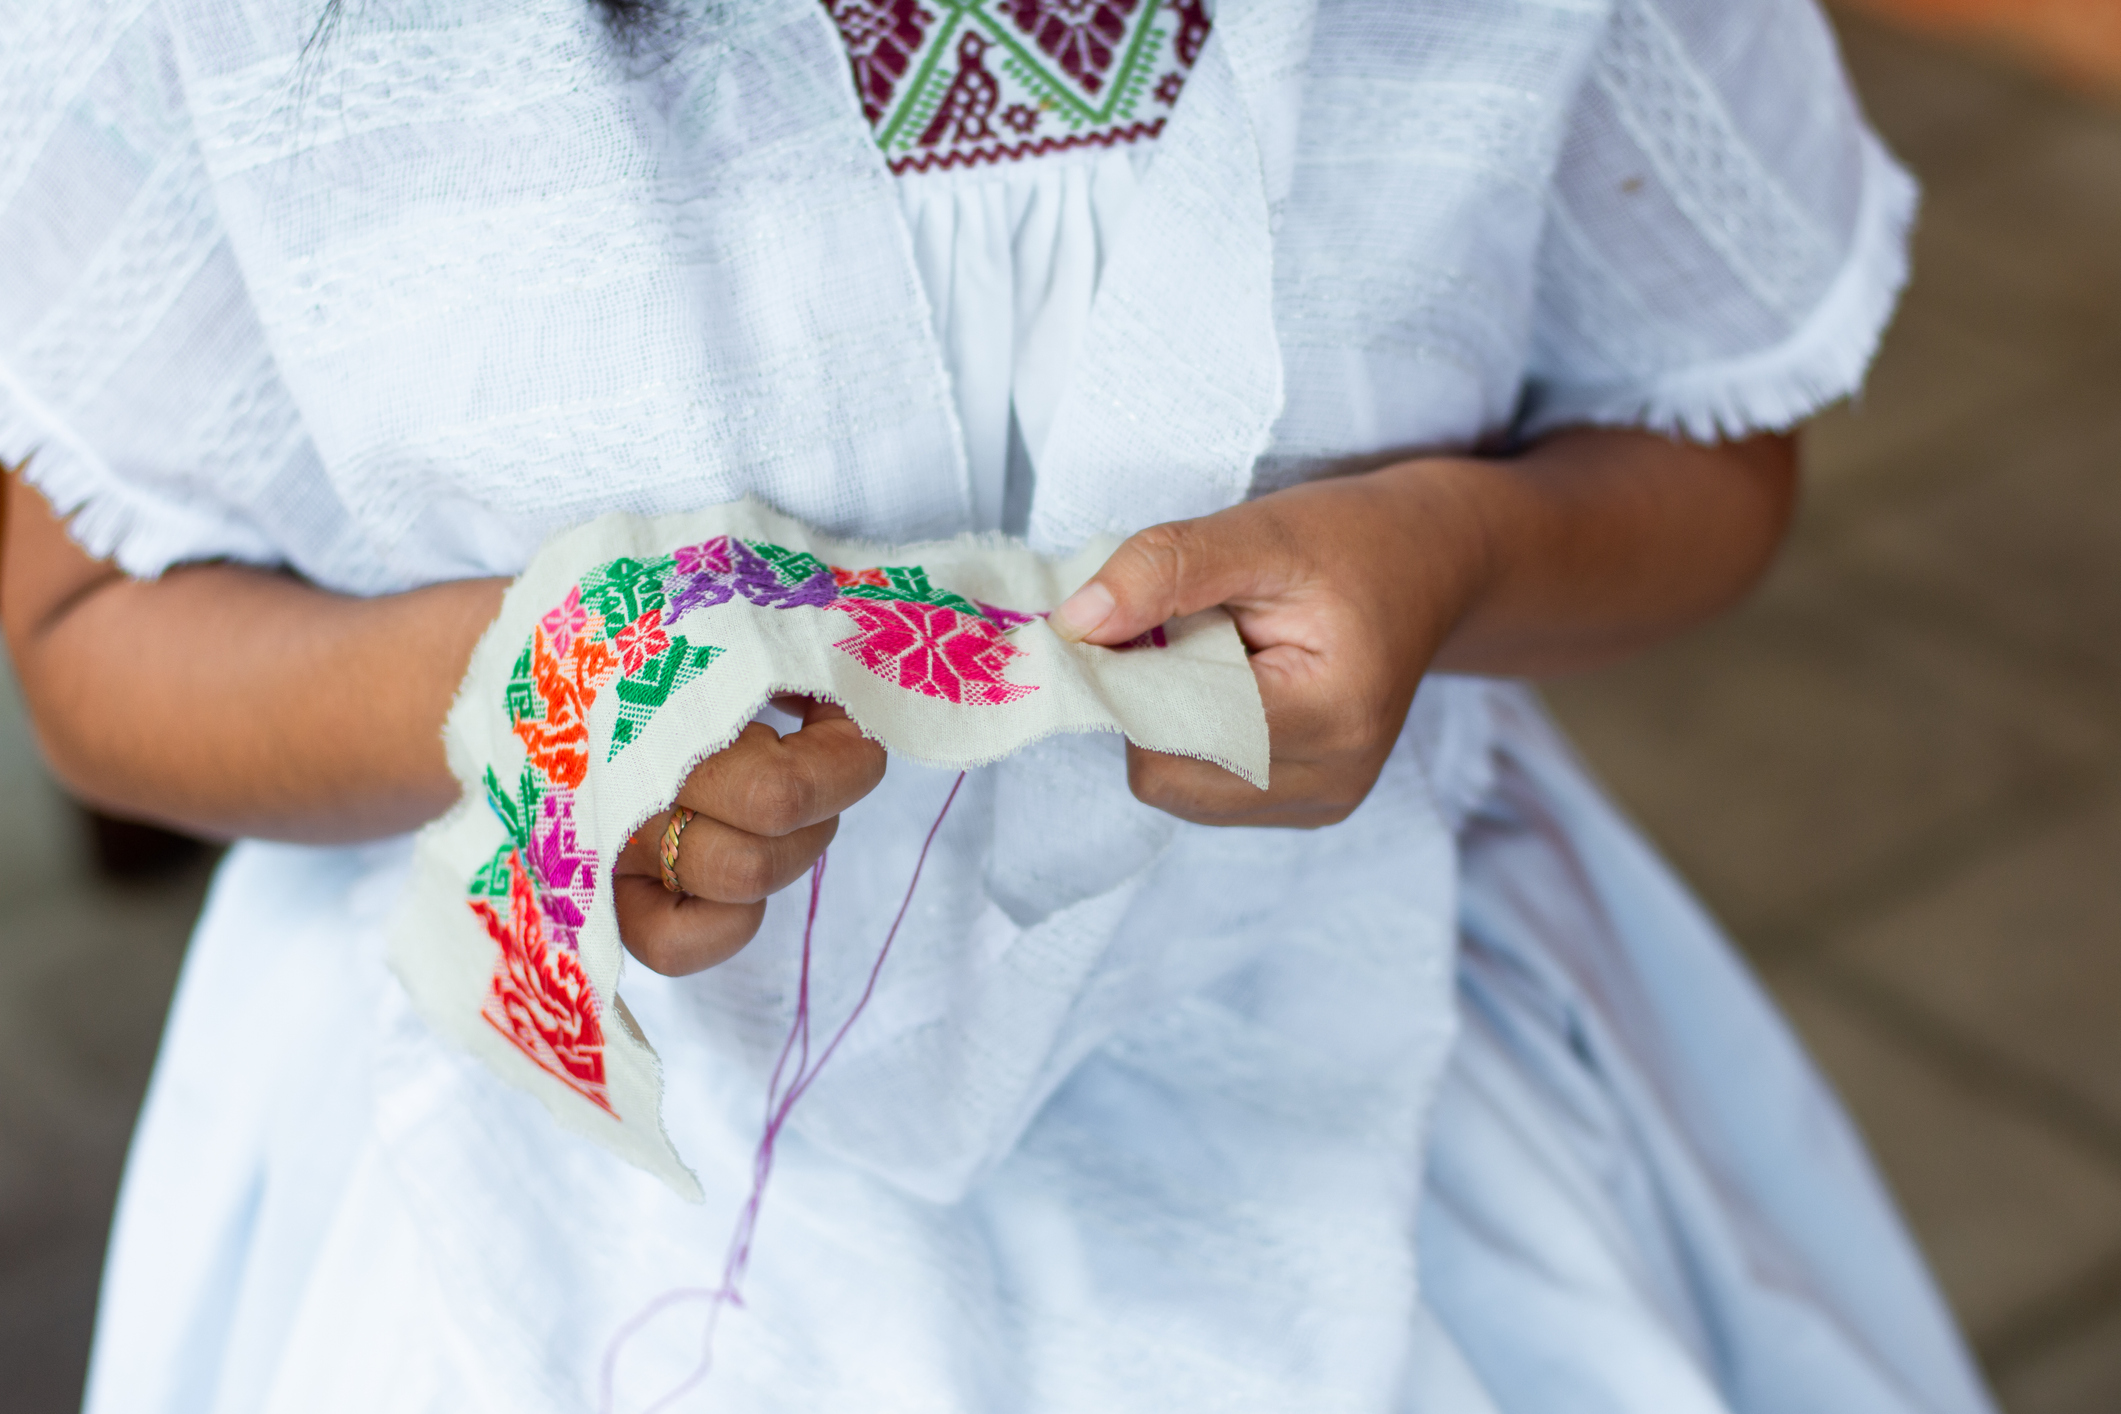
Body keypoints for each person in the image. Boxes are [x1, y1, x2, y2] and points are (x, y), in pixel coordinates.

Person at [0, 0, 1997, 1409]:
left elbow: (1705, 443)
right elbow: (88, 620)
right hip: (538, 1187)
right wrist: (523, 704)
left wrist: (1454, 556)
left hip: (1384, 1060)